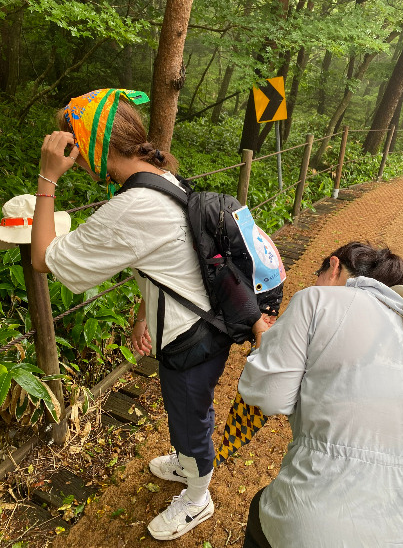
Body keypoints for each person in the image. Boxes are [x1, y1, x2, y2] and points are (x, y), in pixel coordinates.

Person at [30, 88, 267, 541]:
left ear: (96, 147)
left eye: (75, 145)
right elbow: (169, 258)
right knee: (186, 409)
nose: (74, 157)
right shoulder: (159, 176)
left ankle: (198, 497)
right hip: (197, 324)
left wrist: (47, 180)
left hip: (191, 338)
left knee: (190, 416)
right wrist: (143, 313)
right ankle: (186, 462)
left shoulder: (131, 207)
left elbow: (43, 259)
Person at [238, 242, 403, 548]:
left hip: (316, 526)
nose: (316, 282)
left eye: (319, 274)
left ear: (334, 267)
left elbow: (269, 397)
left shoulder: (316, 299)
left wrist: (267, 348)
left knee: (264, 509)